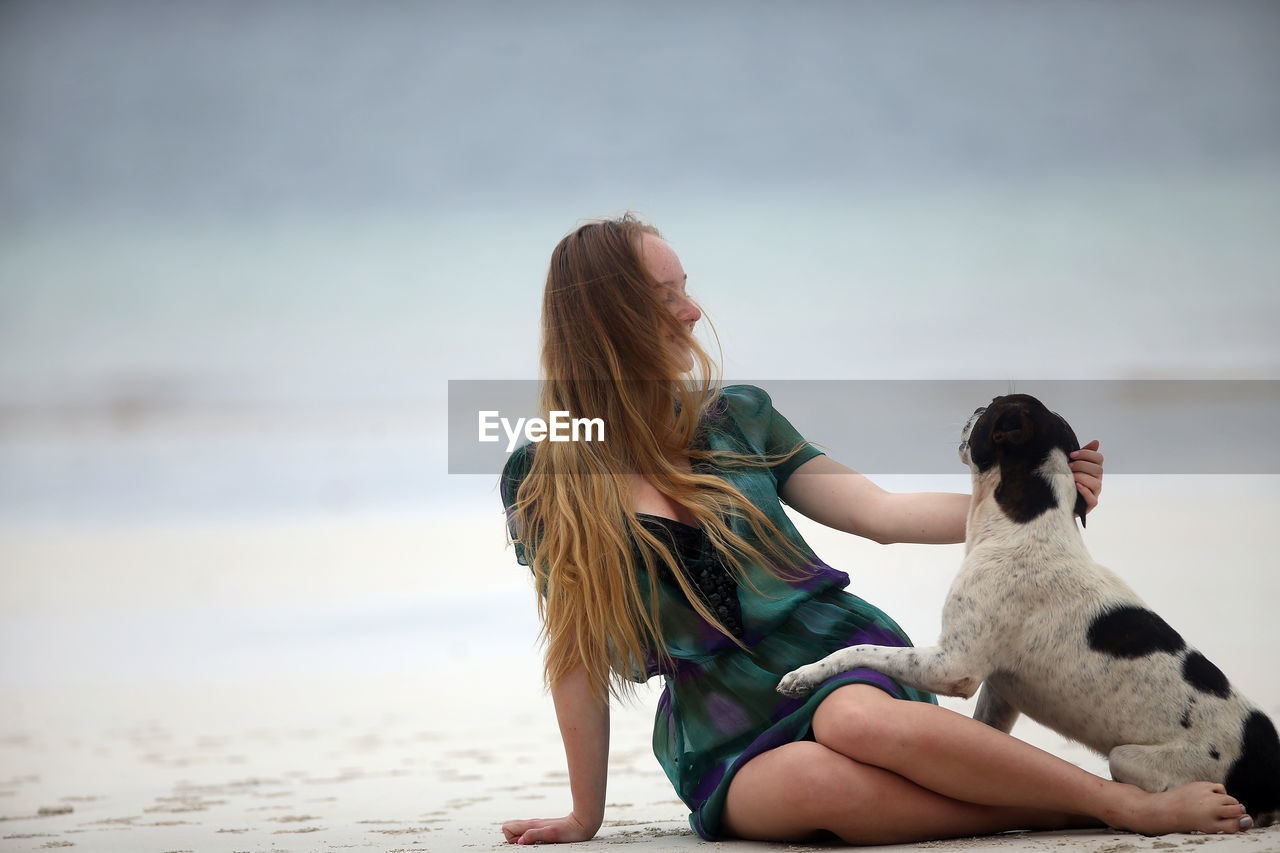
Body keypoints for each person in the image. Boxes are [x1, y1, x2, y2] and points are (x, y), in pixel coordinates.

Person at [498, 214, 1252, 846]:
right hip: (724, 726)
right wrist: (582, 814)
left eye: (686, 289)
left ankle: (1122, 804)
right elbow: (574, 654)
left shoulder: (737, 419)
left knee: (855, 719)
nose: (693, 311)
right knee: (817, 783)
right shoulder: (542, 480)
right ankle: (1055, 804)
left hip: (834, 660)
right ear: (609, 324)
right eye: (667, 296)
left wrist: (1028, 501)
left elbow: (879, 513)